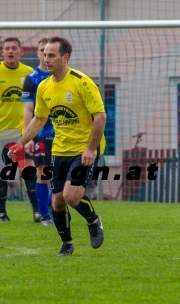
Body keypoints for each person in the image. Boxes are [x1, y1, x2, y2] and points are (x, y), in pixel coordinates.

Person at [8, 36, 107, 256]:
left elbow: (100, 117)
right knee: (58, 202)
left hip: (84, 148)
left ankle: (93, 221)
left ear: (65, 58)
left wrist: (90, 149)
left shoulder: (81, 82)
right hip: (60, 150)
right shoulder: (43, 87)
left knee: (72, 196)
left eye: (51, 55)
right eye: (44, 55)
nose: (46, 59)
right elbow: (39, 119)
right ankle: (67, 243)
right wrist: (20, 144)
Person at [0, 37, 40, 223]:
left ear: (20, 52)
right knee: (2, 173)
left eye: (14, 48)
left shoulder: (29, 73)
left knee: (28, 170)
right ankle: (1, 213)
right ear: (2, 52)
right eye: (7, 48)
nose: (10, 51)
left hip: (23, 133)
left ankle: (37, 211)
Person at [22, 37, 55, 226]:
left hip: (62, 135)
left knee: (62, 176)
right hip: (41, 134)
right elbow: (28, 110)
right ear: (38, 53)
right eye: (42, 50)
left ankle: (51, 203)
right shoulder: (32, 79)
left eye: (49, 51)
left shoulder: (61, 77)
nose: (45, 54)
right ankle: (45, 216)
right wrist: (30, 137)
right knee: (43, 174)